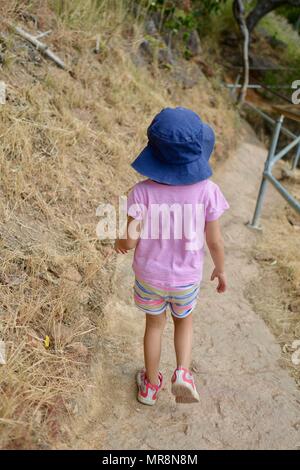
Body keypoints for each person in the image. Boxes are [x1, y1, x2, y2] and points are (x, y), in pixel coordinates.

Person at [115, 107, 229, 405]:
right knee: (184, 322)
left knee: (154, 326)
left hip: (150, 276)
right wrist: (220, 268)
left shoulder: (140, 193)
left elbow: (129, 238)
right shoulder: (208, 191)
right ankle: (182, 373)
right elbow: (214, 239)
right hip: (186, 278)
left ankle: (150, 386)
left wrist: (121, 243)